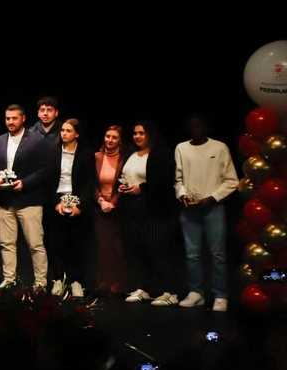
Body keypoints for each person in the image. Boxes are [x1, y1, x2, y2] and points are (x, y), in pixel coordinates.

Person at [174, 114, 238, 311]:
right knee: (192, 254)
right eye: (192, 126)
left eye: (199, 126)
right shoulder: (181, 148)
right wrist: (182, 195)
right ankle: (196, 292)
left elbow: (231, 181)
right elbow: (178, 179)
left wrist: (212, 198)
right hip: (190, 210)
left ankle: (220, 294)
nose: (195, 130)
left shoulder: (219, 147)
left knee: (217, 254)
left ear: (206, 127)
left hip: (213, 208)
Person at [120, 121, 182, 305]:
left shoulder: (160, 153)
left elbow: (163, 181)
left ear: (150, 135)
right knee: (138, 248)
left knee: (157, 248)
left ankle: (170, 292)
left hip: (153, 207)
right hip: (132, 206)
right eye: (135, 133)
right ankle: (143, 289)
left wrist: (142, 188)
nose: (137, 136)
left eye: (141, 133)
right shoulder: (131, 154)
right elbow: (127, 176)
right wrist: (123, 187)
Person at [0, 104, 50, 290]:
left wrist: (25, 182)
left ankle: (40, 282)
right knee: (6, 243)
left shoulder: (37, 140)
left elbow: (45, 169)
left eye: (14, 118)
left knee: (35, 244)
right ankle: (9, 279)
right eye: (8, 118)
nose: (10, 122)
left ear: (23, 119)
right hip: (5, 201)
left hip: (29, 200)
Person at [44, 118, 97, 298]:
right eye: (62, 130)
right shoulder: (52, 151)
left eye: (68, 131)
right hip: (58, 200)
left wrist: (80, 205)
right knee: (56, 244)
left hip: (77, 201)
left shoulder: (86, 153)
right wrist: (56, 203)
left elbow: (90, 182)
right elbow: (48, 181)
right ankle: (58, 280)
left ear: (77, 134)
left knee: (77, 244)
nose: (64, 134)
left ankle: (76, 281)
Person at [94, 125, 131, 293]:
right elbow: (91, 183)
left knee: (117, 246)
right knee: (103, 246)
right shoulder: (97, 157)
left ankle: (119, 283)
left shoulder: (125, 159)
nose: (110, 140)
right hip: (100, 206)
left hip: (118, 207)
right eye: (107, 136)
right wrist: (101, 200)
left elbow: (126, 182)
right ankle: (103, 282)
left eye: (114, 137)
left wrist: (113, 202)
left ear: (120, 141)